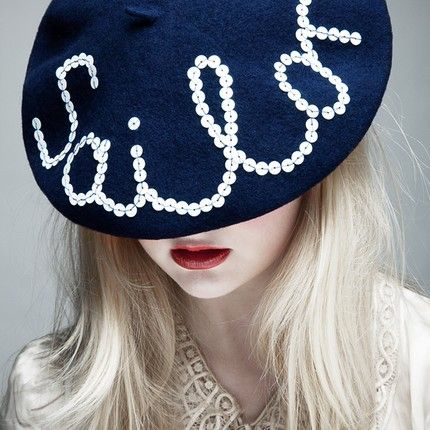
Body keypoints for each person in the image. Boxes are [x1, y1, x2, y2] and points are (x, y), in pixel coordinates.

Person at [1, 0, 429, 428]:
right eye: (151, 160)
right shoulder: (48, 399)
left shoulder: (418, 365)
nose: (194, 219)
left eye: (229, 150)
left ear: (318, 171)